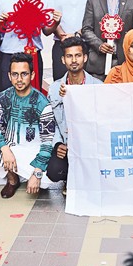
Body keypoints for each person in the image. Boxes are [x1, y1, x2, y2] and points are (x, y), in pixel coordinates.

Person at [0, 53, 57, 198]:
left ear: (32, 75)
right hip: (10, 147)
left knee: (46, 182)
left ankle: (26, 173)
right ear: (9, 76)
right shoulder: (2, 98)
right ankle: (12, 179)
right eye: (15, 74)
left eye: (24, 74)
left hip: (33, 150)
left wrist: (37, 172)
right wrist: (5, 149)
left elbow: (48, 141)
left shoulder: (43, 103)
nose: (19, 79)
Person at [0, 0, 60, 95]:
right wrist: (1, 23)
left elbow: (47, 31)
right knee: (8, 95)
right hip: (9, 54)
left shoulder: (41, 0)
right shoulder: (2, 1)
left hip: (33, 56)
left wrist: (56, 22)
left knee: (33, 95)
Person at [47, 37, 103, 187]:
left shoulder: (97, 86)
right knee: (54, 171)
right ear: (63, 60)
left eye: (77, 55)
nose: (73, 60)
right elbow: (50, 121)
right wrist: (58, 143)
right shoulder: (54, 88)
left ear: (85, 58)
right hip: (67, 144)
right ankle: (69, 179)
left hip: (90, 145)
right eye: (69, 56)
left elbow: (102, 120)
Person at [46, 0, 99, 81]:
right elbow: (50, 16)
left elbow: (97, 17)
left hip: (87, 45)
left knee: (87, 85)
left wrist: (77, 35)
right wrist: (62, 36)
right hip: (61, 44)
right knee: (61, 85)